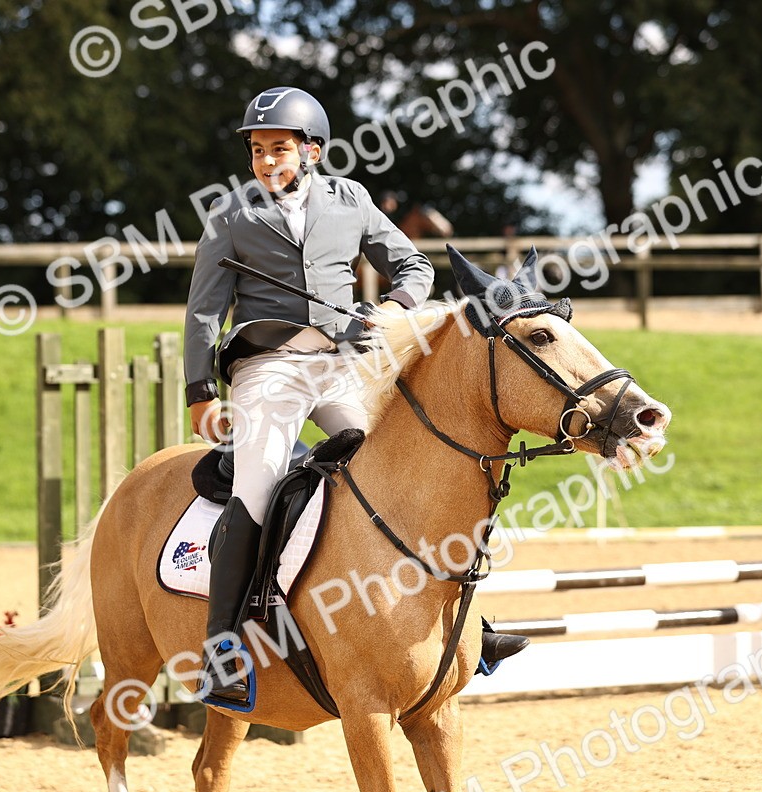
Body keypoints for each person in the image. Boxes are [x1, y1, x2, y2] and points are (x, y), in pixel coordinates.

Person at [185, 86, 527, 706]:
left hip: (342, 365)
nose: (267, 161)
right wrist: (200, 389)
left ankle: (469, 624)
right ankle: (222, 649)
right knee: (256, 486)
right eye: (258, 150)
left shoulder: (351, 201)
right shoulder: (230, 215)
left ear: (312, 151)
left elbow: (415, 267)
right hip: (269, 368)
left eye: (279, 149)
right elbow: (204, 311)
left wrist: (392, 308)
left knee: (404, 471)